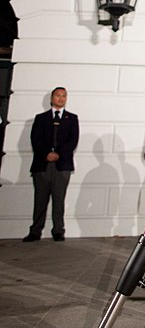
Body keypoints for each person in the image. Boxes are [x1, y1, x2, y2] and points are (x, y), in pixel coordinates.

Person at [23, 87, 79, 242]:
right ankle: (35, 231)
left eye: (64, 96)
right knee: (40, 199)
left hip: (62, 166)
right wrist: (46, 153)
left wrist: (58, 154)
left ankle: (58, 231)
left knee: (59, 199)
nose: (61, 99)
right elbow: (36, 139)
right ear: (51, 98)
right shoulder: (41, 118)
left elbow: (72, 141)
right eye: (58, 95)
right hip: (42, 165)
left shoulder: (72, 119)